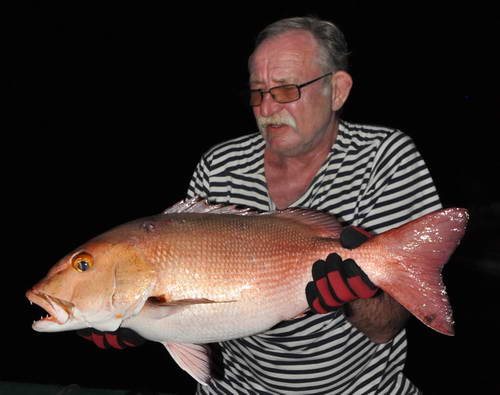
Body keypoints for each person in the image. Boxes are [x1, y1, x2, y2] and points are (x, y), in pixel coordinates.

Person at [81, 16, 441, 394]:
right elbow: (193, 317)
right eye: (258, 92)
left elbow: (386, 327)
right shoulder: (220, 166)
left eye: (286, 90)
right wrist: (126, 318)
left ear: (337, 90)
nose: (267, 108)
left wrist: (354, 296)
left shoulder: (385, 157)